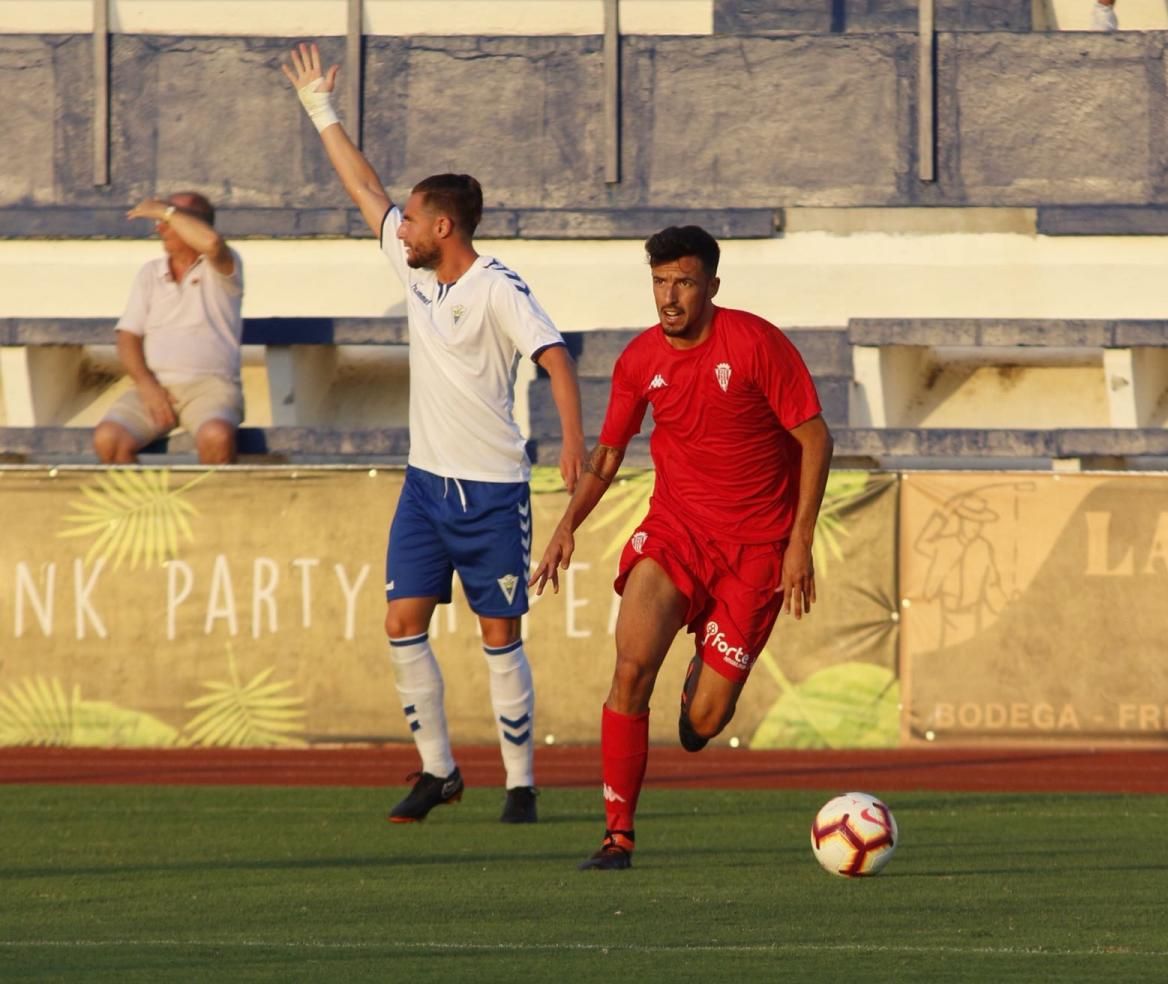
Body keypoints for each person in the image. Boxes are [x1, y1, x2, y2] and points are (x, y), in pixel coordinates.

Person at [283, 43, 586, 825]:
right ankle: (439, 771)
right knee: (401, 623)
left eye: (413, 218)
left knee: (498, 635)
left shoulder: (497, 288)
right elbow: (364, 187)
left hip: (491, 490)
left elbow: (555, 358)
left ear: (443, 225)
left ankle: (520, 784)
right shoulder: (418, 273)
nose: (400, 226)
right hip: (425, 486)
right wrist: (321, 109)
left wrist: (571, 443)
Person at [531, 225, 833, 870]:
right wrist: (567, 525)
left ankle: (704, 676)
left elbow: (815, 438)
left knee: (703, 723)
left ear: (712, 287)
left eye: (684, 283)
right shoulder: (639, 360)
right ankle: (618, 836)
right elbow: (609, 454)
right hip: (676, 534)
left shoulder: (755, 344)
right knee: (630, 666)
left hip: (757, 549)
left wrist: (799, 541)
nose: (669, 297)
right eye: (660, 282)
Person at [93, 193, 244, 465]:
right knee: (108, 439)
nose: (160, 227)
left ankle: (217, 507)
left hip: (210, 386)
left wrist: (164, 210)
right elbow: (128, 336)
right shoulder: (150, 273)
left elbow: (210, 243)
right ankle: (136, 507)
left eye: (168, 219)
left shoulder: (223, 265)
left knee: (216, 436)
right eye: (160, 220)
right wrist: (146, 384)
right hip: (155, 386)